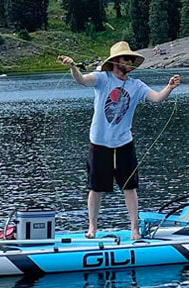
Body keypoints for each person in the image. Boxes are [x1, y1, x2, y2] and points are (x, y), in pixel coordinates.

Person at [59, 41, 180, 242]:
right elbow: (81, 80)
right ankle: (92, 228)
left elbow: (157, 98)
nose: (130, 63)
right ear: (116, 61)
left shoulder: (136, 85)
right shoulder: (101, 79)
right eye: (127, 59)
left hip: (124, 143)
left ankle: (134, 230)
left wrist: (169, 87)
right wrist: (73, 67)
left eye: (132, 60)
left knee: (129, 188)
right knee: (95, 188)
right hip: (99, 143)